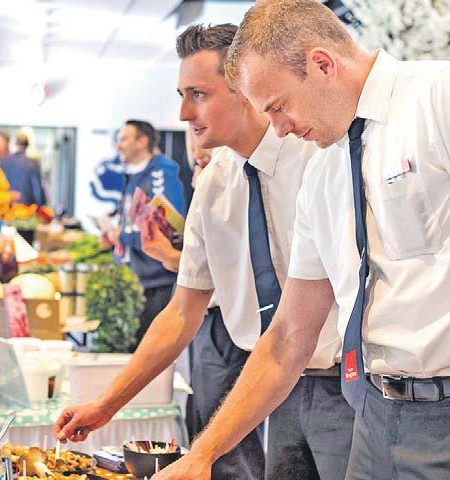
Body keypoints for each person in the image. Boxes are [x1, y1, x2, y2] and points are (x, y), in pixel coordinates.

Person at [155, 1, 450, 478]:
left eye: (278, 106)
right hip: (374, 414)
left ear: (322, 64)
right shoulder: (323, 171)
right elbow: (286, 338)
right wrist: (201, 455)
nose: (278, 128)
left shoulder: (445, 96)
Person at [56, 25, 349, 479]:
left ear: (244, 87)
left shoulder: (317, 156)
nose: (183, 113)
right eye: (182, 95)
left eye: (198, 94)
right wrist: (107, 403)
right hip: (272, 387)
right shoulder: (215, 183)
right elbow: (181, 312)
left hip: (344, 387)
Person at [104, 119, 186, 344]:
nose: (118, 145)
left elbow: (165, 229)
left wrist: (121, 236)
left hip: (155, 284)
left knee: (146, 349)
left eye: (123, 139)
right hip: (136, 281)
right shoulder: (136, 174)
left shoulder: (161, 172)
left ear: (142, 142)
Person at [0, 130, 47, 206]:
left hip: (8, 207)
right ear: (27, 145)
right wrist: (41, 206)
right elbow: (37, 190)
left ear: (15, 144)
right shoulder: (33, 164)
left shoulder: (3, 161)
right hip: (27, 208)